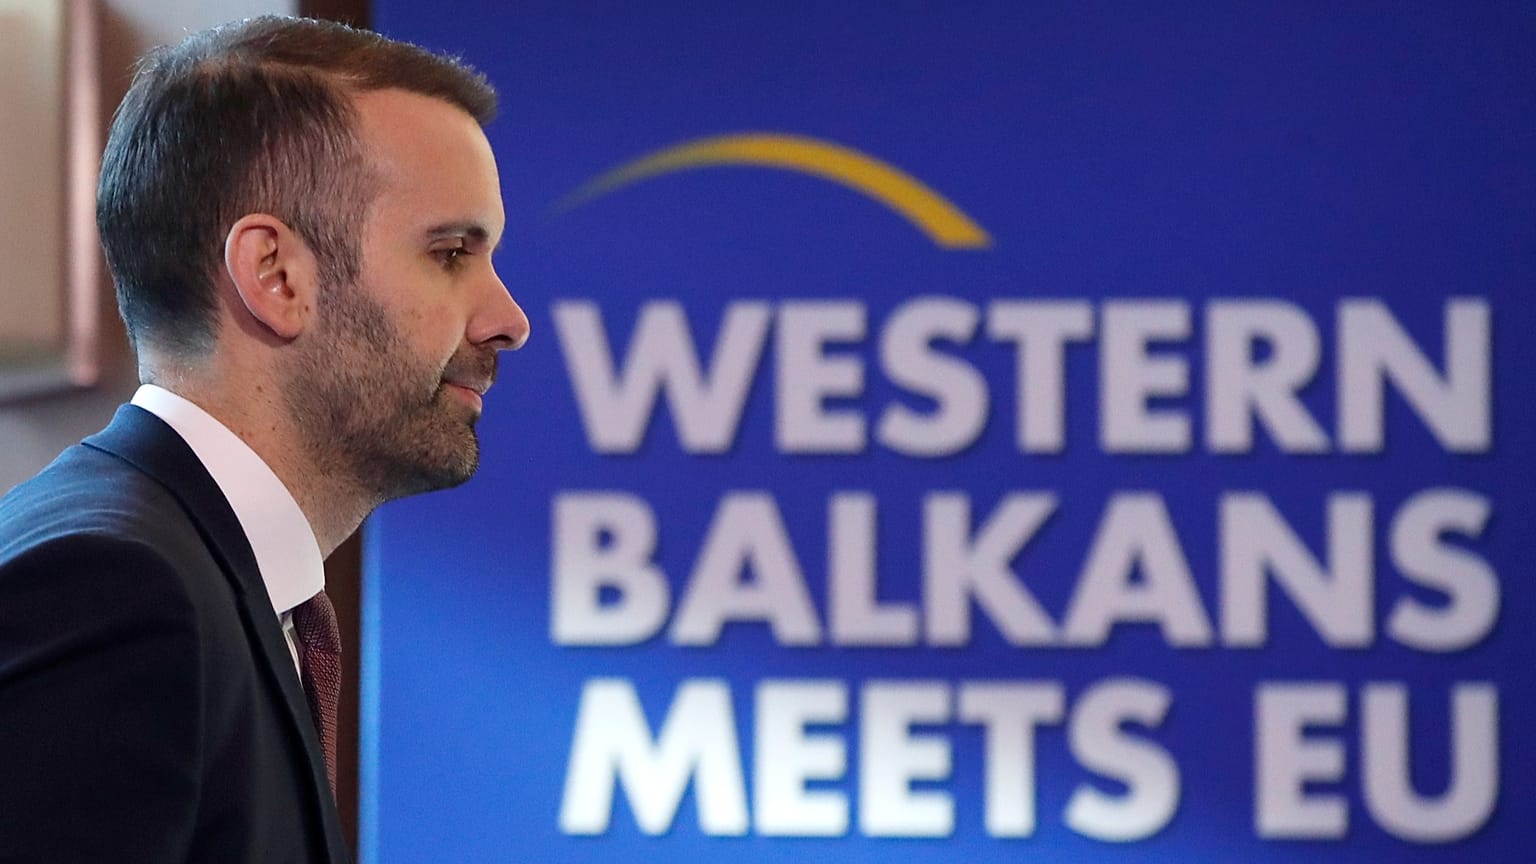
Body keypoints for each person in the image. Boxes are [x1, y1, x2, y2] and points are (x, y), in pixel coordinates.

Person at [0, 15, 528, 863]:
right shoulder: (114, 591)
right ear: (277, 276)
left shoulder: (192, 576)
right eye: (451, 252)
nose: (509, 320)